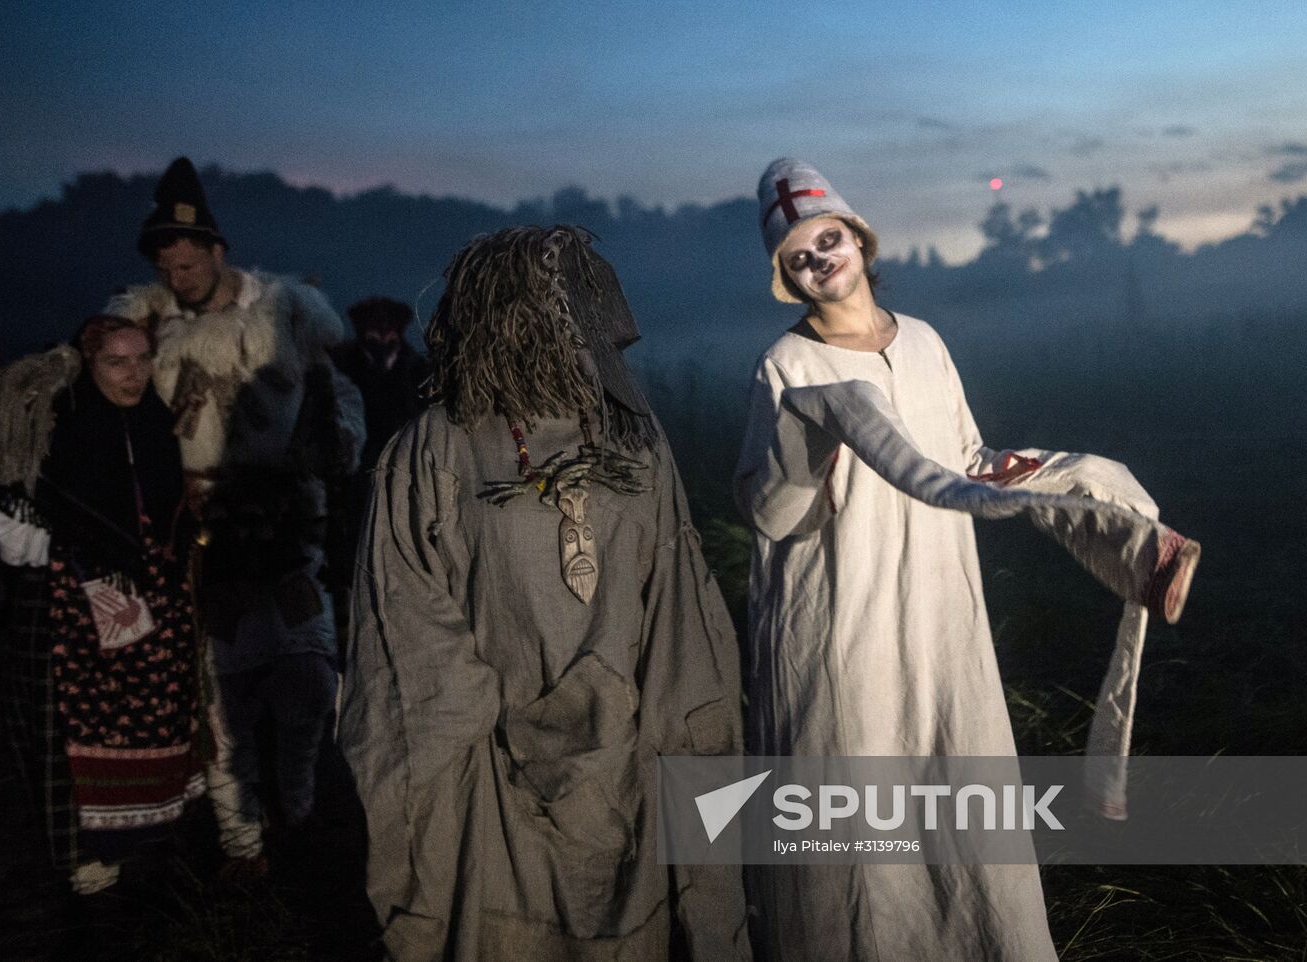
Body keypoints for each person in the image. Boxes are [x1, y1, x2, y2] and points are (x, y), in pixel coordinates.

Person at [734, 159, 1198, 961]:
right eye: (799, 256)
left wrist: (1078, 481)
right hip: (843, 619)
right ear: (786, 274)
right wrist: (807, 432)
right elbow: (770, 512)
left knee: (953, 790)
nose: (820, 260)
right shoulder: (789, 366)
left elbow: (963, 457)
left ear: (858, 237)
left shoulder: (923, 342)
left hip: (937, 606)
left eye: (829, 238)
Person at [338, 226, 751, 961]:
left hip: (628, 762)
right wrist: (504, 733)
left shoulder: (632, 438)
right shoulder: (436, 448)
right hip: (493, 777)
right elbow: (409, 629)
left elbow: (679, 611)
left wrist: (647, 726)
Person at [104, 157, 365, 871]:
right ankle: (240, 838)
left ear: (217, 251)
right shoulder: (142, 322)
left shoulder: (282, 310)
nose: (175, 267)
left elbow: (334, 394)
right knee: (218, 695)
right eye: (164, 257)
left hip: (284, 520)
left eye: (187, 256)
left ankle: (301, 804)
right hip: (193, 531)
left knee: (308, 679)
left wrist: (332, 443)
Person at [0, 316, 203, 895]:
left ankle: (152, 829)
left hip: (154, 597)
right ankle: (88, 850)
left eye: (142, 360)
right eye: (117, 363)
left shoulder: (154, 420)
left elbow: (167, 502)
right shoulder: (63, 430)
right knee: (77, 725)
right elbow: (23, 527)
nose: (134, 374)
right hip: (73, 601)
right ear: (90, 365)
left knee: (152, 712)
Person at [338, 296, 430, 471]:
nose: (381, 348)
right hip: (356, 461)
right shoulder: (344, 365)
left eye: (390, 341)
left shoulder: (417, 369)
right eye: (373, 340)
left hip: (401, 456)